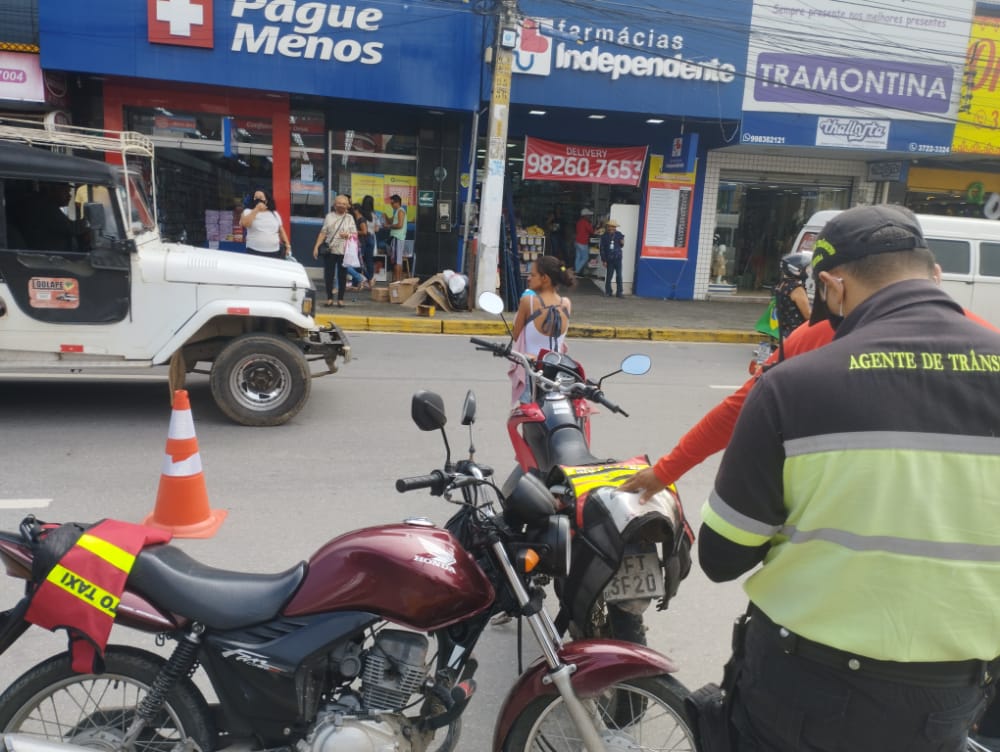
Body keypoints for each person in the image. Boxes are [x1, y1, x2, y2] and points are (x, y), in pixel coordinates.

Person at [696, 205, 1000, 752]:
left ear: (833, 288)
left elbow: (722, 556)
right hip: (950, 695)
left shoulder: (794, 385)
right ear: (934, 274)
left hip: (802, 687)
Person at [509, 255, 575, 404]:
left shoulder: (528, 302)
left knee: (529, 418)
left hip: (532, 372)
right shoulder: (566, 303)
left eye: (533, 275)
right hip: (556, 371)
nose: (529, 278)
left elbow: (516, 335)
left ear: (544, 278)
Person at [312, 194, 356, 307]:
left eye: (343, 204)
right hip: (330, 250)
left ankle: (340, 299)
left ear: (348, 206)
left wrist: (348, 235)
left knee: (342, 276)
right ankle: (329, 298)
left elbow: (355, 234)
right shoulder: (329, 216)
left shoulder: (350, 218)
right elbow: (323, 232)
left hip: (343, 250)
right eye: (339, 203)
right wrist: (316, 246)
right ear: (335, 205)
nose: (341, 205)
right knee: (329, 275)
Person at [21, 182, 89, 252]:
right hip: (49, 256)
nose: (69, 196)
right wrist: (84, 211)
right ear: (52, 190)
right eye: (65, 192)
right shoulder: (45, 207)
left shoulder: (45, 204)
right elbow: (73, 228)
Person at [240, 188, 291, 259]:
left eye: (260, 198)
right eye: (256, 198)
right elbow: (245, 224)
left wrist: (287, 245)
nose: (258, 200)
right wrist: (256, 210)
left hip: (274, 252)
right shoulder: (248, 212)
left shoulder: (274, 214)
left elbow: (281, 230)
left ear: (266, 200)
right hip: (254, 251)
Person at [773, 251, 812, 340]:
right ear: (795, 269)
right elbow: (808, 315)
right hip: (796, 334)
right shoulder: (797, 289)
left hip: (783, 332)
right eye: (806, 268)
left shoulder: (782, 284)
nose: (808, 270)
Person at [350, 202, 373, 291]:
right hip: (355, 244)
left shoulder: (361, 220)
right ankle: (355, 282)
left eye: (353, 209)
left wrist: (354, 231)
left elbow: (364, 232)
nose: (352, 211)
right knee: (356, 263)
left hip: (360, 244)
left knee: (360, 264)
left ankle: (369, 279)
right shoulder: (356, 219)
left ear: (357, 210)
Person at [600, 219, 624, 298]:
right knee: (609, 276)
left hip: (618, 258)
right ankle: (608, 291)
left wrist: (622, 242)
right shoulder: (604, 236)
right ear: (608, 227)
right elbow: (602, 249)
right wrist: (604, 260)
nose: (612, 228)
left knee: (619, 276)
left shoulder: (619, 234)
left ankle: (619, 292)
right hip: (609, 259)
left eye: (614, 227)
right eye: (611, 226)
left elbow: (621, 245)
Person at [387, 194, 408, 282]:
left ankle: (397, 281)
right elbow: (392, 221)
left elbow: (399, 225)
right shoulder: (396, 211)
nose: (391, 205)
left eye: (392, 203)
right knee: (396, 260)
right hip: (396, 238)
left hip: (398, 238)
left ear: (397, 203)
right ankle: (397, 280)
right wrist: (386, 217)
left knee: (397, 261)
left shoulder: (400, 211)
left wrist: (389, 226)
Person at [360, 195, 379, 285]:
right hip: (371, 238)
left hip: (361, 238)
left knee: (359, 259)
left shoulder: (360, 214)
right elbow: (377, 229)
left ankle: (362, 279)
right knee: (369, 260)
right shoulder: (374, 215)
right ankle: (370, 278)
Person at [574, 208, 594, 275]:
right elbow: (592, 231)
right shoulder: (586, 222)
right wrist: (591, 224)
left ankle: (576, 271)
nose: (590, 216)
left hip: (577, 241)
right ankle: (576, 271)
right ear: (585, 215)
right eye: (589, 215)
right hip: (583, 242)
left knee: (578, 257)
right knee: (585, 258)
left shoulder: (579, 222)